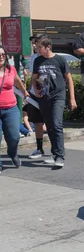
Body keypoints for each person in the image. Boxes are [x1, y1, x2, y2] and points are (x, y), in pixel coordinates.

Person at [31, 36, 77, 168]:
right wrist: (36, 90)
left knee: (56, 124)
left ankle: (60, 156)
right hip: (44, 97)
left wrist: (72, 98)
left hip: (58, 96)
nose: (37, 48)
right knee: (50, 126)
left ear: (48, 47)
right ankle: (54, 153)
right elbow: (34, 78)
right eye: (36, 46)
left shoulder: (60, 60)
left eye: (39, 47)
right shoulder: (38, 60)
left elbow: (69, 79)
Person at [0, 45, 30, 173]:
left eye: (2, 54)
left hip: (10, 108)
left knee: (14, 137)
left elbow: (17, 81)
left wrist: (24, 91)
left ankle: (12, 153)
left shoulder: (10, 69)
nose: (1, 57)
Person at [25, 34, 48, 159]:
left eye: (36, 42)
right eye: (33, 43)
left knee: (51, 122)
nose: (34, 45)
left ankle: (57, 150)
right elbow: (33, 77)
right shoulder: (33, 57)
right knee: (38, 122)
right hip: (35, 94)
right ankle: (39, 149)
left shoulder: (51, 58)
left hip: (48, 95)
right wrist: (29, 91)